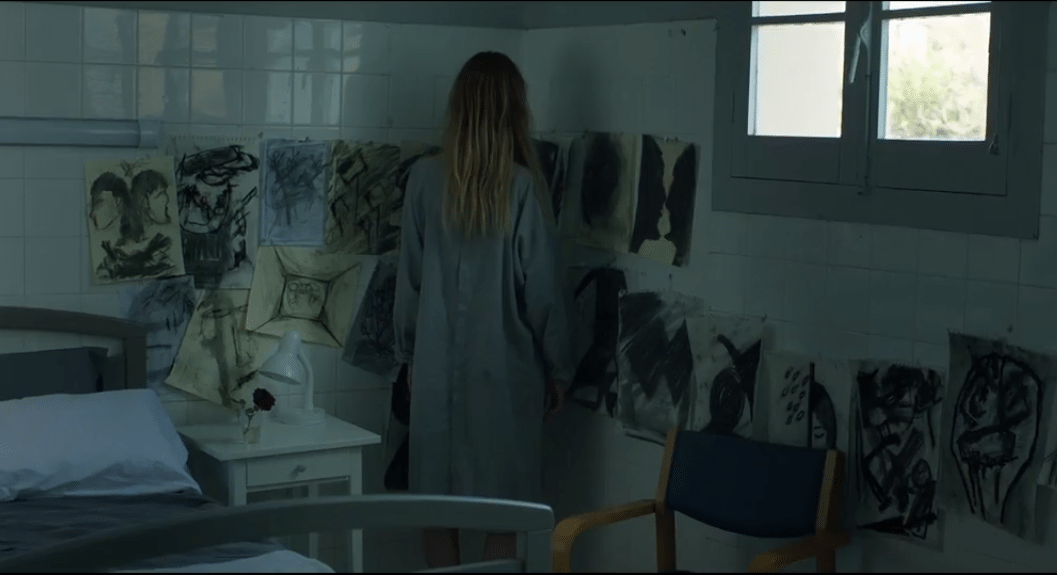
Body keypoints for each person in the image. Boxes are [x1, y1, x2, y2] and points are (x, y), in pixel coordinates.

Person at [392, 51, 573, 569]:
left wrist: (409, 356)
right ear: (514, 110)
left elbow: (409, 282)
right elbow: (543, 294)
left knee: (436, 506)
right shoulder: (522, 186)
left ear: (458, 107)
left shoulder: (423, 179)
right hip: (506, 374)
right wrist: (559, 366)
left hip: (433, 371)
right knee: (507, 510)